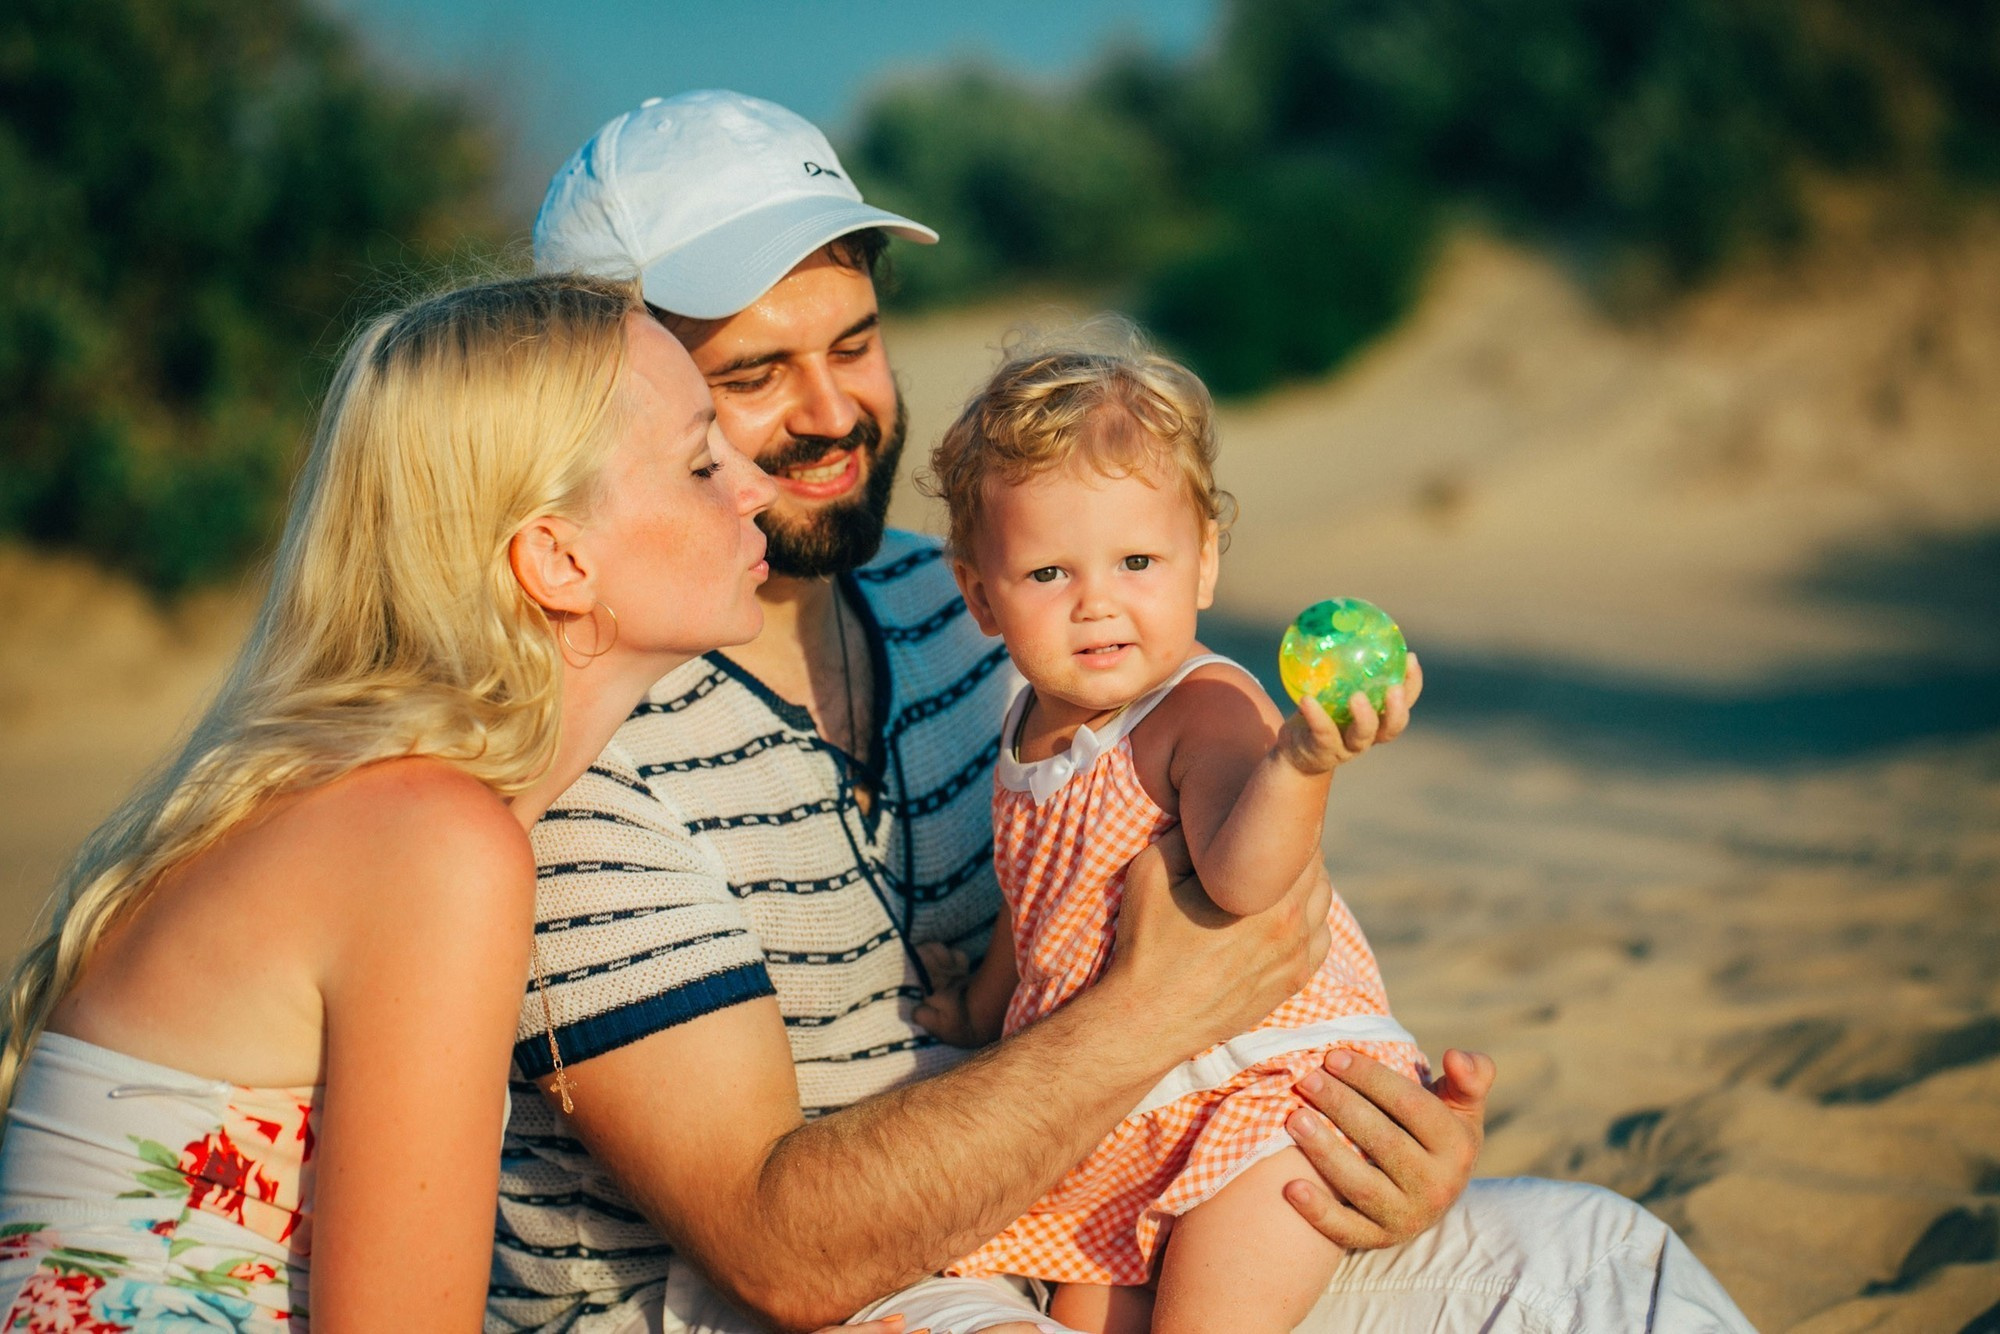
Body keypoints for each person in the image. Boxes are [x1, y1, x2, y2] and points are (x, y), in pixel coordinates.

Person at [502, 89, 1756, 1334]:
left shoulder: (973, 607)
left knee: (1596, 1266)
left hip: (1106, 1195)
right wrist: (1162, 1001)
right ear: (620, 394)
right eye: (752, 373)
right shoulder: (575, 743)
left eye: (851, 344)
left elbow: (1199, 883)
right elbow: (783, 1254)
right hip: (813, 1293)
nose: (832, 412)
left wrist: (1376, 1142)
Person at [0, 274, 891, 1334]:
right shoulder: (433, 840)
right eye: (701, 460)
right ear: (557, 559)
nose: (751, 486)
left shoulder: (376, 801)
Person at [907, 338, 1432, 1334]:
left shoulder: (1204, 707)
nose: (1096, 600)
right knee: (1083, 1306)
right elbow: (1039, 906)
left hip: (1273, 1090)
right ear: (980, 596)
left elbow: (1241, 881)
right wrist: (978, 1009)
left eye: (1137, 561)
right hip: (1138, 1096)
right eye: (1048, 570)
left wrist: (1298, 765)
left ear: (1204, 562)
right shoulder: (1027, 729)